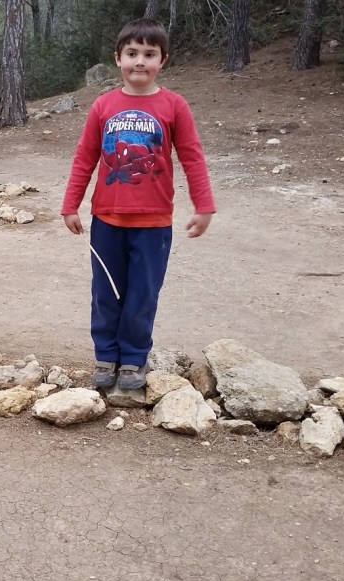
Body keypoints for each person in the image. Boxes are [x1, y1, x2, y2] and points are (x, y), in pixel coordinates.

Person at [60, 17, 215, 390]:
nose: (140, 61)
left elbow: (192, 156)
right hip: (107, 221)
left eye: (149, 53)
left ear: (163, 59)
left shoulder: (174, 105)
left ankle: (133, 359)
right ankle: (106, 356)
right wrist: (70, 204)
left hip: (154, 223)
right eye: (132, 53)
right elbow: (85, 157)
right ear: (118, 58)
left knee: (142, 294)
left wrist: (203, 205)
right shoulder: (103, 105)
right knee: (106, 292)